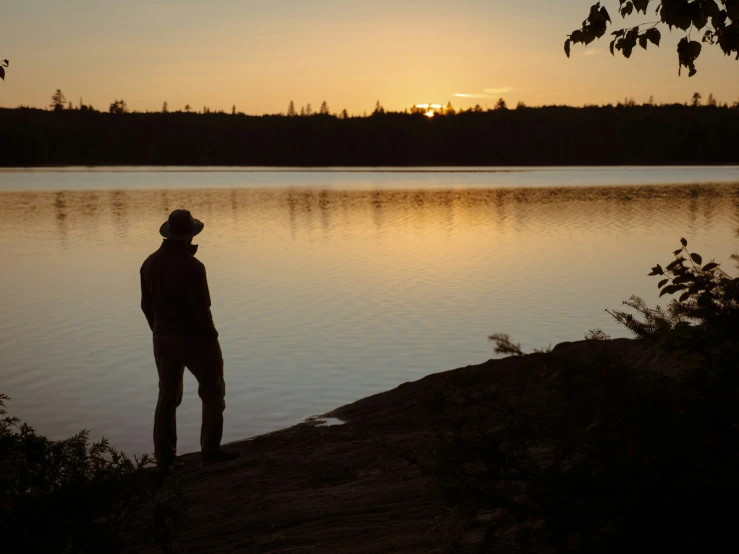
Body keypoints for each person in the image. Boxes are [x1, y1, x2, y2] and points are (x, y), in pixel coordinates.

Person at [140, 209, 239, 469]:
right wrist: (211, 339)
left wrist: (158, 329)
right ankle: (211, 450)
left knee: (167, 397)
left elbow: (145, 305)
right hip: (194, 338)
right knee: (213, 391)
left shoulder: (149, 263)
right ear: (189, 236)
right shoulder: (193, 267)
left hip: (162, 338)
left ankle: (164, 458)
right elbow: (201, 311)